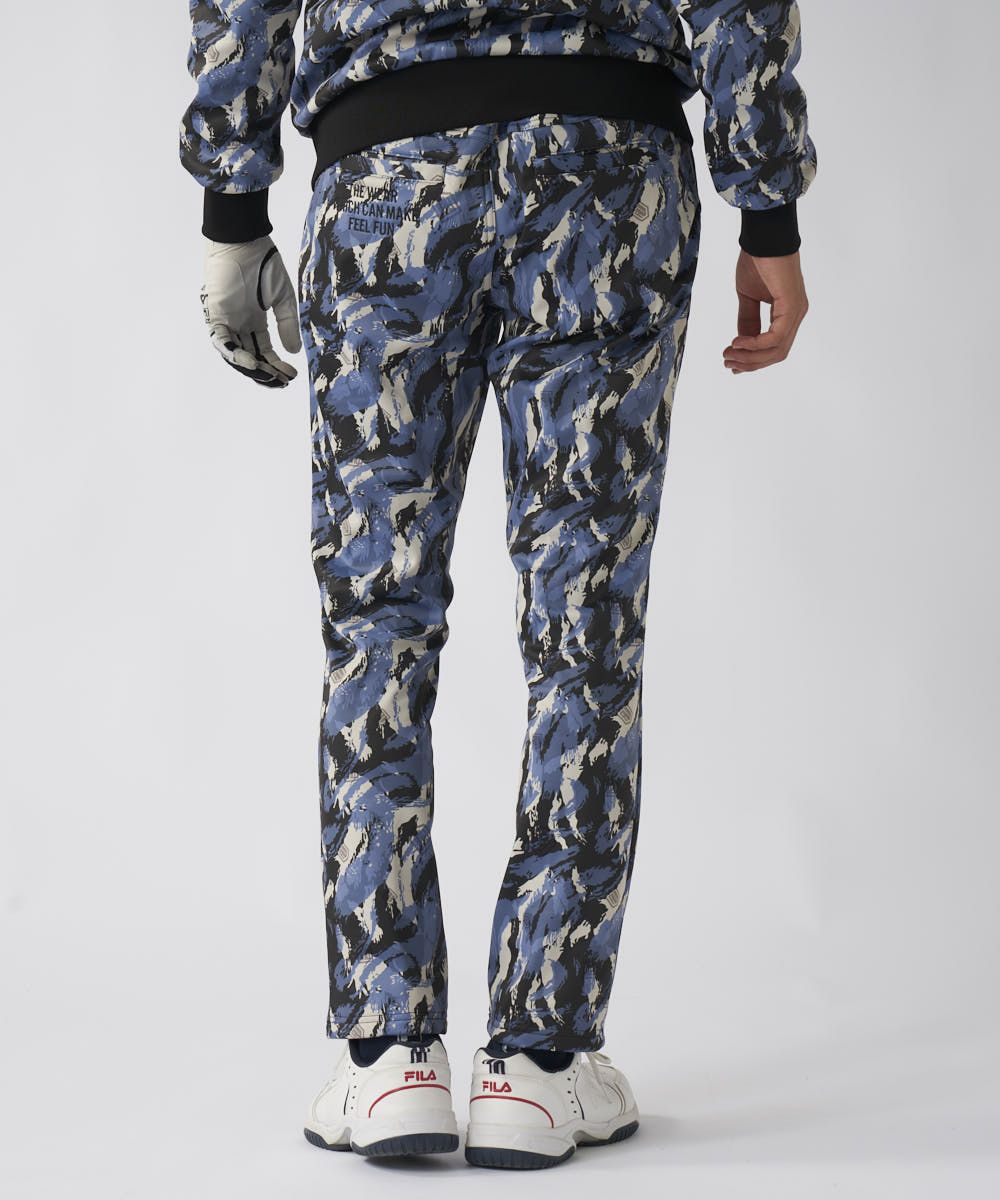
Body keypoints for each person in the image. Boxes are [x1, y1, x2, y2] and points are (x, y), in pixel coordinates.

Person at [181, 0, 816, 1170]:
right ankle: (541, 1061)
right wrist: (764, 198)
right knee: (587, 627)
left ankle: (388, 1055)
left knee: (376, 626)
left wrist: (232, 197)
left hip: (387, 177)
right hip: (606, 169)